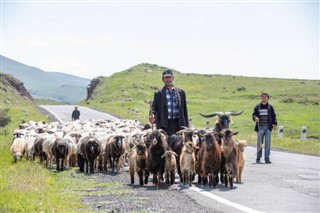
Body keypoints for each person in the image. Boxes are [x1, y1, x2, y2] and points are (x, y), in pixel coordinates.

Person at [149, 69, 189, 136]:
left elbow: (185, 111)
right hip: (164, 125)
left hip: (179, 124)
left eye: (169, 77)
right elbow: (153, 108)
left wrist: (187, 126)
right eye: (166, 78)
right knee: (164, 145)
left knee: (179, 145)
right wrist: (151, 115)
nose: (168, 80)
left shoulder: (181, 92)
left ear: (173, 78)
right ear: (163, 79)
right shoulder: (159, 93)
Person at [252, 92, 277, 164]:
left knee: (267, 143)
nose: (264, 98)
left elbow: (274, 116)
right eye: (263, 97)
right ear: (261, 98)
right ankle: (258, 158)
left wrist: (274, 124)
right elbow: (253, 115)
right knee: (259, 143)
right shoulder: (257, 107)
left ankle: (267, 158)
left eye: (266, 97)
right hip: (260, 127)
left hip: (268, 128)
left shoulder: (270, 107)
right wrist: (255, 118)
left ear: (268, 99)